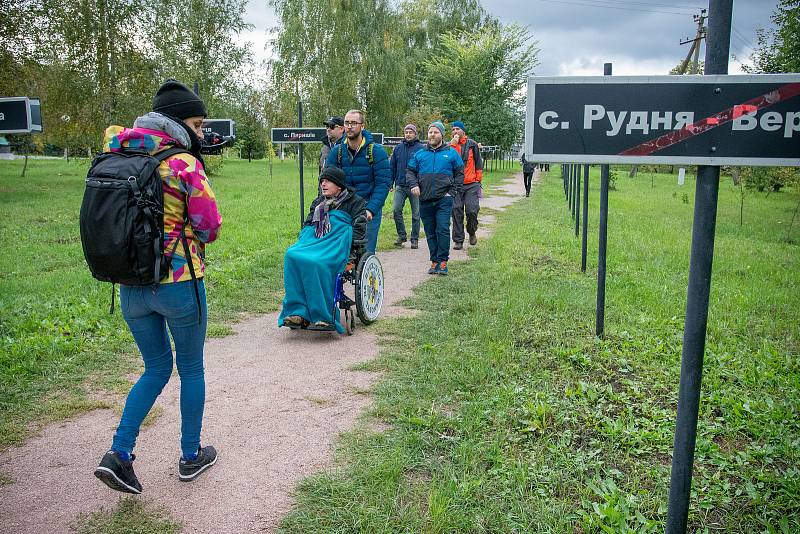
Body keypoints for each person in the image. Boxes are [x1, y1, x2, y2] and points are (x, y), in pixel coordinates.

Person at [94, 79, 223, 494]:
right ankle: (190, 456)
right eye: (198, 124)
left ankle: (119, 453)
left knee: (154, 368)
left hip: (130, 283)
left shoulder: (119, 152)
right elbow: (209, 227)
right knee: (191, 369)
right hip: (179, 283)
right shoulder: (183, 162)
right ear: (178, 123)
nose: (202, 133)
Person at [279, 167, 367, 332]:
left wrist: (340, 239)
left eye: (327, 181)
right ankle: (298, 312)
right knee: (291, 255)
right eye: (321, 181)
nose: (323, 184)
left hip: (336, 246)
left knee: (317, 262)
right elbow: (307, 225)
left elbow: (359, 230)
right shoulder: (318, 202)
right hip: (315, 243)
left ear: (339, 186)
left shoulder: (356, 202)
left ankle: (323, 315)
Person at [326, 109, 391, 255]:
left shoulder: (376, 152)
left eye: (354, 123)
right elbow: (327, 181)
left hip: (367, 209)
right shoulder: (337, 152)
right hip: (342, 209)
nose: (349, 126)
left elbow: (383, 184)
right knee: (338, 253)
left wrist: (371, 209)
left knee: (364, 253)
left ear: (362, 126)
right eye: (347, 123)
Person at [406, 121, 464, 276]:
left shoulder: (451, 153)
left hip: (444, 199)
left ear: (442, 135)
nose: (432, 134)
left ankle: (443, 261)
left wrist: (451, 192)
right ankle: (434, 261)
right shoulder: (419, 154)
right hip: (424, 199)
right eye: (430, 132)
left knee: (443, 229)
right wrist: (414, 184)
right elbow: (410, 171)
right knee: (430, 231)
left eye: (435, 132)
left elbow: (460, 173)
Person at [449, 120, 483, 249]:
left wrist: (478, 180)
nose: (455, 131)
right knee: (456, 210)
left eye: (458, 129)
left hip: (471, 184)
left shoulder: (472, 144)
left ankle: (472, 231)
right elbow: (449, 161)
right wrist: (453, 145)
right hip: (455, 184)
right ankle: (458, 240)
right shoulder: (450, 146)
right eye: (453, 129)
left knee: (472, 210)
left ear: (463, 131)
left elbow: (478, 162)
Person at [390, 124, 423, 249]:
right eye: (406, 132)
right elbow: (392, 166)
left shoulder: (421, 149)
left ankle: (414, 239)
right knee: (396, 210)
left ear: (415, 134)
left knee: (416, 214)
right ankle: (402, 235)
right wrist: (390, 183)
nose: (408, 134)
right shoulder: (398, 148)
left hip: (415, 186)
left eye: (410, 132)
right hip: (400, 185)